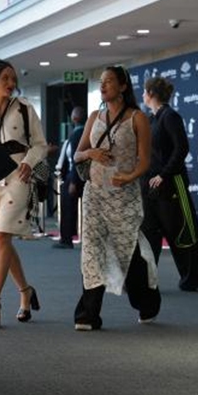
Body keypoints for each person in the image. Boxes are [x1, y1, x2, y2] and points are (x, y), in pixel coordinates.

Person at [71, 66, 161, 330]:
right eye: (101, 82)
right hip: (95, 195)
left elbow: (145, 161)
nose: (103, 86)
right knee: (92, 251)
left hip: (124, 196)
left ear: (123, 86)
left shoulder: (137, 118)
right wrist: (91, 154)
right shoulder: (94, 117)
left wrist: (130, 176)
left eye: (109, 81)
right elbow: (77, 154)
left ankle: (147, 302)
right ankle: (87, 314)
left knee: (128, 253)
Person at [0, 59, 48, 328]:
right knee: (0, 238)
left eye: (13, 78)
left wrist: (30, 161)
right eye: (5, 78)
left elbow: (40, 144)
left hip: (19, 174)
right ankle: (25, 293)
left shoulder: (25, 109)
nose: (11, 83)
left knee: (3, 235)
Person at [140, 76, 198, 290]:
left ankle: (193, 277)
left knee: (179, 232)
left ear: (151, 94)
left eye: (144, 91)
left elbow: (181, 149)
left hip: (170, 185)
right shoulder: (149, 120)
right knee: (149, 234)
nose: (142, 95)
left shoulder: (170, 117)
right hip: (149, 187)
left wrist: (164, 174)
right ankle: (147, 280)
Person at [53, 106, 87, 249]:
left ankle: (66, 238)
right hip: (82, 176)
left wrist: (73, 180)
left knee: (67, 206)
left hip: (75, 177)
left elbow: (75, 160)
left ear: (74, 118)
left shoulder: (77, 135)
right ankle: (69, 235)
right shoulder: (83, 132)